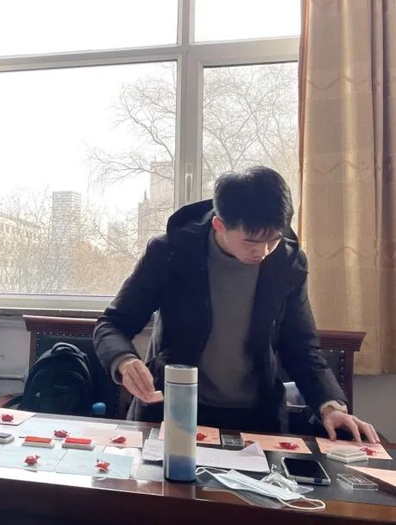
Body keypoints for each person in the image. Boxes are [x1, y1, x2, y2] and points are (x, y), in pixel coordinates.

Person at [94, 166, 379, 443]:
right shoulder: (170, 252)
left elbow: (302, 347)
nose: (263, 252)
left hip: (257, 418)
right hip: (172, 410)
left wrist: (331, 406)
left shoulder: (287, 261)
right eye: (250, 242)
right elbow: (112, 324)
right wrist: (125, 361)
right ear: (219, 225)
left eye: (273, 240)